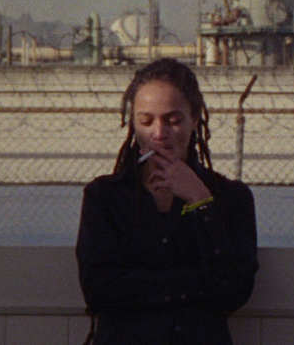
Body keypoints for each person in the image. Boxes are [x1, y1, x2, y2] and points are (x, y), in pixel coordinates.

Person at [76, 58, 258, 345]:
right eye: (146, 121)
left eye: (173, 121)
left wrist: (201, 202)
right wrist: (195, 284)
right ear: (133, 122)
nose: (159, 134)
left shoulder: (231, 197)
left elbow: (233, 290)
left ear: (194, 118)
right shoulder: (105, 197)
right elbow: (99, 290)